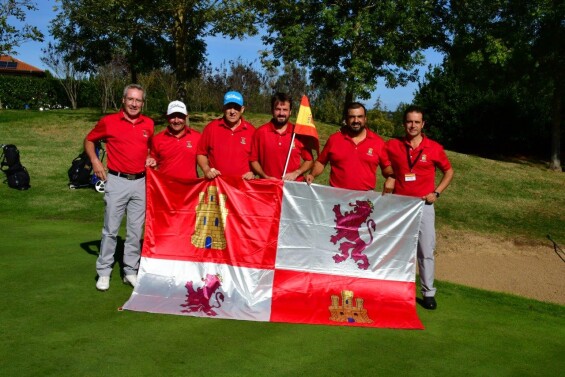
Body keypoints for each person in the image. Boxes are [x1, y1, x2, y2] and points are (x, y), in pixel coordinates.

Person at [84, 83, 154, 291]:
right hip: (116, 180)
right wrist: (96, 162)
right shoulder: (109, 121)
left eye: (138, 100)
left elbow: (150, 148)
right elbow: (89, 140)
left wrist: (151, 157)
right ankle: (104, 271)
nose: (134, 104)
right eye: (130, 99)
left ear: (142, 103)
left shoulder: (148, 124)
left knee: (134, 231)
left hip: (140, 182)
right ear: (123, 100)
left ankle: (130, 270)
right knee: (110, 230)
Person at [385, 105, 454, 310]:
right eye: (409, 121)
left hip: (423, 205)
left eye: (417, 122)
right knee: (397, 249)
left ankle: (428, 293)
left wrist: (437, 192)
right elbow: (383, 164)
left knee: (425, 250)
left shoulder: (434, 148)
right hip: (399, 207)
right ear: (404, 123)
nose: (412, 125)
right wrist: (389, 177)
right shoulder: (393, 145)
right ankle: (395, 289)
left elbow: (449, 172)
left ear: (423, 124)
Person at [306, 102, 393, 190]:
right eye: (352, 117)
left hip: (364, 198)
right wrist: (312, 175)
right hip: (336, 195)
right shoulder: (334, 139)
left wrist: (391, 177)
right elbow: (321, 162)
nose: (356, 121)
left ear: (365, 119)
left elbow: (386, 167)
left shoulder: (378, 142)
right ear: (346, 119)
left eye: (360, 117)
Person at [250, 93, 314, 181]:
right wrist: (265, 176)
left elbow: (309, 161)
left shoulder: (298, 133)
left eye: (285, 110)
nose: (281, 113)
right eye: (278, 109)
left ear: (290, 111)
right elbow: (253, 160)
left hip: (292, 188)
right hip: (269, 186)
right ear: (272, 111)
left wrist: (296, 173)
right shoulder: (260, 132)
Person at [196, 91, 255, 180]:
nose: (232, 111)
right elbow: (201, 153)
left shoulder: (251, 131)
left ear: (242, 109)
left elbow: (258, 158)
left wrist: (253, 172)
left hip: (243, 186)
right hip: (217, 185)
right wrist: (206, 169)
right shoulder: (211, 128)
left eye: (236, 108)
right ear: (223, 108)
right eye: (229, 107)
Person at [146, 100, 201, 180]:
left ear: (186, 117)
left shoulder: (197, 137)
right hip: (166, 189)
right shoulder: (157, 139)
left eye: (180, 116)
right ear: (167, 117)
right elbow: (153, 163)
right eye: (172, 116)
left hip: (190, 189)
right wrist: (151, 162)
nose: (176, 121)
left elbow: (206, 159)